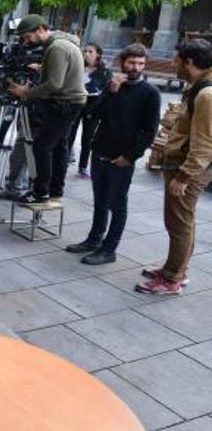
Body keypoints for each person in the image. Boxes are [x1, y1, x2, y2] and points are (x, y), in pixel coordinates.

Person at [65, 44, 159, 265]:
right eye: (132, 62)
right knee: (100, 201)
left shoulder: (150, 93)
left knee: (117, 204)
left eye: (140, 63)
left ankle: (109, 249)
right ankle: (94, 239)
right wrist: (110, 92)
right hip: (100, 152)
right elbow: (92, 114)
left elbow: (149, 131)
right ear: (122, 62)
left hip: (122, 158)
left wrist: (130, 157)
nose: (136, 67)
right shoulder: (113, 86)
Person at [137, 39, 212, 295]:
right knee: (182, 221)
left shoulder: (206, 94)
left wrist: (183, 176)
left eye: (176, 59)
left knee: (179, 223)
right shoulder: (198, 87)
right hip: (183, 162)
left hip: (187, 167)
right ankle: (177, 269)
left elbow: (204, 145)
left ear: (189, 62)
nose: (173, 63)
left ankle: (172, 279)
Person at [8, 14, 87, 204]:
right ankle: (55, 189)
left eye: (28, 37)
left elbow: (55, 84)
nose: (27, 42)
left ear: (41, 29)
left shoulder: (57, 47)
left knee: (41, 147)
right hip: (71, 102)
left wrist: (26, 92)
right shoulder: (63, 43)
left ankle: (40, 192)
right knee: (60, 147)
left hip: (64, 103)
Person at [69, 43, 113, 178]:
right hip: (77, 101)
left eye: (90, 51)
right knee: (70, 133)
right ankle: (63, 159)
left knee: (88, 137)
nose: (86, 54)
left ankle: (83, 166)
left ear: (98, 54)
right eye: (85, 51)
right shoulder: (79, 66)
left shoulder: (104, 70)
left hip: (93, 104)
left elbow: (106, 89)